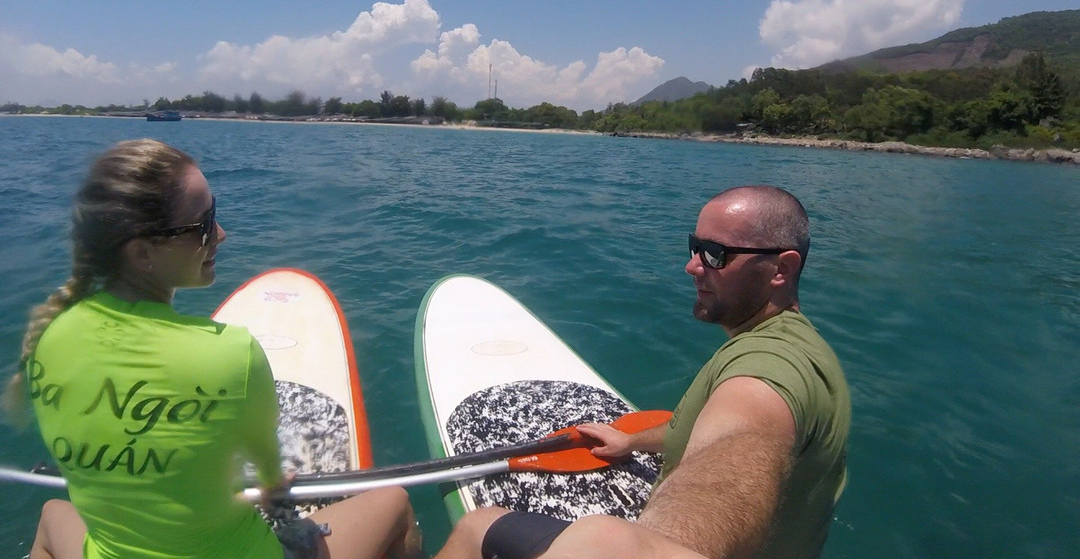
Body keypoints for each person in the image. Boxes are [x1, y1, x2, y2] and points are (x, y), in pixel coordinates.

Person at [3, 139, 422, 559]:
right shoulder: (231, 354)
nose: (220, 234)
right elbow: (271, 479)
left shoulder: (45, 338)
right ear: (143, 253)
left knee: (53, 514)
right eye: (203, 225)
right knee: (395, 503)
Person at [435, 185, 850, 559]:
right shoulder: (796, 344)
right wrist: (630, 440)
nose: (692, 266)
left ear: (781, 269)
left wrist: (649, 545)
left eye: (716, 254)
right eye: (694, 246)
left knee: (476, 527)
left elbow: (737, 450)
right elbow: (698, 435)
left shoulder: (772, 366)